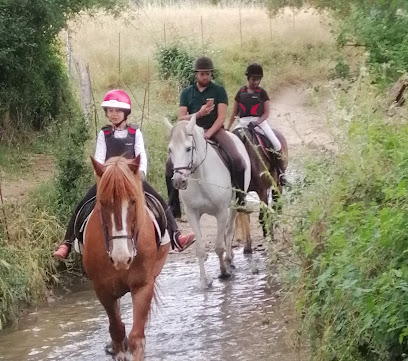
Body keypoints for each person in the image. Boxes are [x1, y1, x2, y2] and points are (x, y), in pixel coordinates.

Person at [53, 89, 195, 260]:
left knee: (159, 201)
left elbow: (140, 156)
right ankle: (67, 243)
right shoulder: (104, 134)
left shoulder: (135, 133)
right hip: (109, 179)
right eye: (110, 111)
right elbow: (99, 157)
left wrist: (139, 175)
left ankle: (176, 236)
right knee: (83, 204)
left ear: (125, 113)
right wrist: (104, 176)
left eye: (118, 110)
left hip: (131, 180)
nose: (114, 114)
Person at [165, 56, 248, 212]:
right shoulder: (186, 93)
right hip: (191, 132)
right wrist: (199, 114)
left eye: (208, 73)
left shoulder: (219, 91)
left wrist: (209, 133)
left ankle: (240, 198)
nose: (205, 76)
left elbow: (222, 116)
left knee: (237, 159)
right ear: (196, 74)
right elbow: (181, 117)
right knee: (170, 164)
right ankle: (174, 202)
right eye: (202, 74)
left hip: (215, 130)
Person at [226, 63, 287, 185]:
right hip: (242, 123)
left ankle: (280, 173)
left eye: (258, 79)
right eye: (254, 79)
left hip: (260, 122)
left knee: (276, 144)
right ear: (248, 78)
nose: (256, 82)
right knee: (230, 145)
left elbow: (266, 113)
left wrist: (257, 122)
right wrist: (227, 128)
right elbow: (234, 113)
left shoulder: (262, 93)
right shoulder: (241, 92)